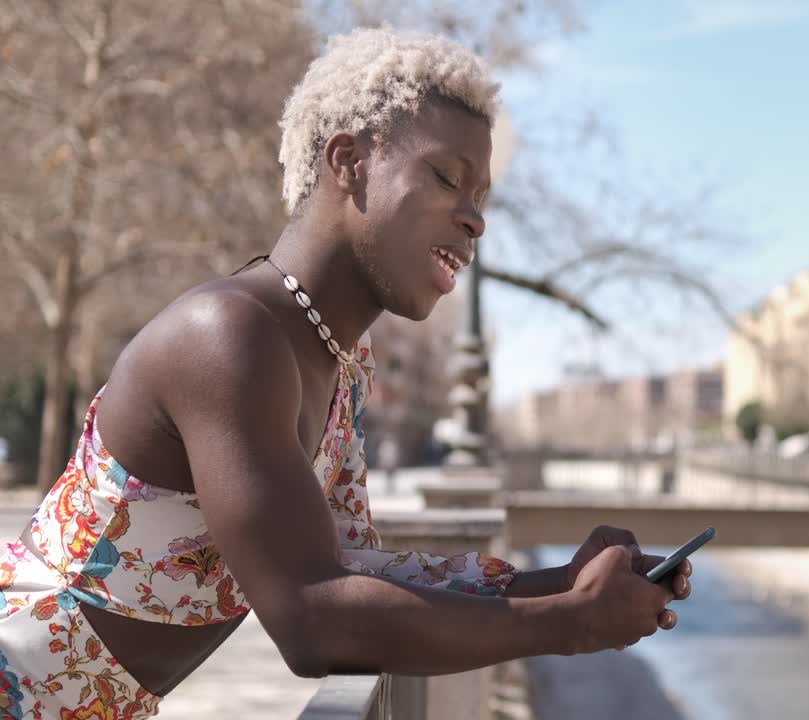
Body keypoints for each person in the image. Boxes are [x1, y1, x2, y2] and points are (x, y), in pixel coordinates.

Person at [0, 29, 693, 717]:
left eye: (482, 195)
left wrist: (563, 585)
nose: (475, 219)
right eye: (448, 177)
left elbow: (354, 573)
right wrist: (569, 625)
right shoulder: (229, 336)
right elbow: (312, 617)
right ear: (349, 162)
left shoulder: (335, 360)